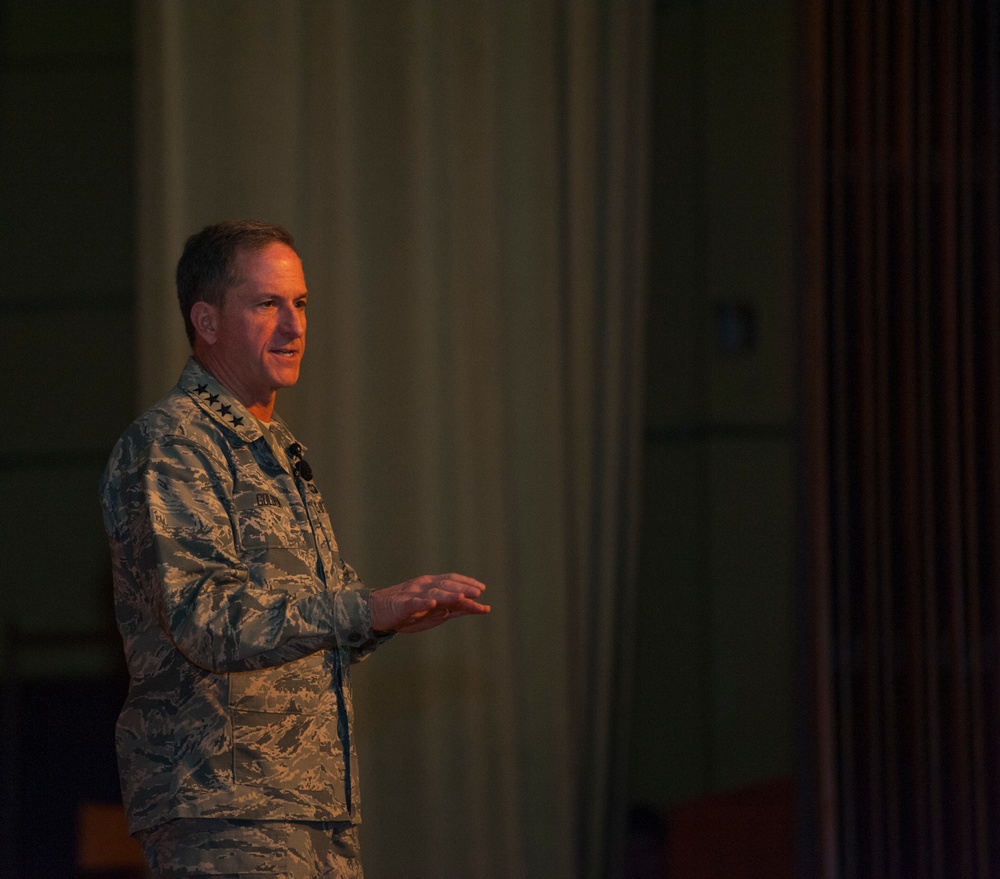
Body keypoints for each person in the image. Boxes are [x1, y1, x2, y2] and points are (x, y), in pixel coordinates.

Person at [99, 220, 490, 878]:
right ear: (207, 319)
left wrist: (383, 618)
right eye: (266, 304)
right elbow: (203, 618)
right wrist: (365, 608)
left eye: (301, 303)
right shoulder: (173, 443)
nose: (293, 325)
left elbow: (319, 617)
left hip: (307, 807)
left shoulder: (276, 448)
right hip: (225, 810)